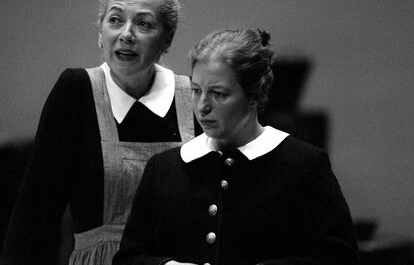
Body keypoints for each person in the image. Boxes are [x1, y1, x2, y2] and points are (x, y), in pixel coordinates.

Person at [0, 0, 199, 265]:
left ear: (167, 40)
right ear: (100, 32)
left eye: (143, 24)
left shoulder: (193, 97)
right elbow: (35, 213)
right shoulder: (76, 90)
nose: (126, 34)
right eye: (115, 20)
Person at [112, 28, 361, 265]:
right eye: (197, 91)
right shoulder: (164, 168)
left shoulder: (303, 165)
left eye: (219, 94)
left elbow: (339, 258)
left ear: (253, 94)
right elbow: (128, 258)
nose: (202, 106)